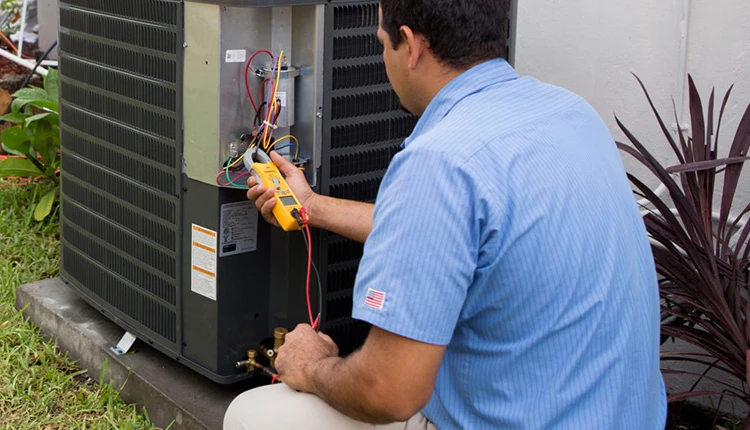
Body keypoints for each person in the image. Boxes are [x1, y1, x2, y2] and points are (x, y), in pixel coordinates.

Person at [224, 0, 667, 428]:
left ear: (412, 45)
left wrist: (314, 365)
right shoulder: (571, 113)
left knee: (250, 414)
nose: (384, 59)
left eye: (383, 44)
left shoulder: (440, 160)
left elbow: (387, 392)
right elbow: (451, 235)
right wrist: (313, 207)